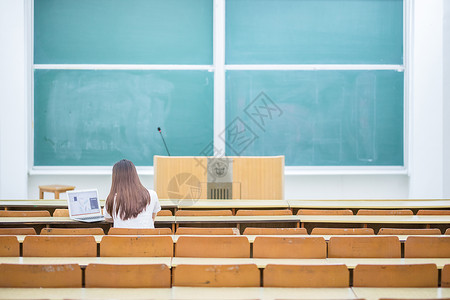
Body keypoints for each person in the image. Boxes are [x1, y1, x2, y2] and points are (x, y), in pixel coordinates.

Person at [104, 159, 161, 228]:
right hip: (147, 238)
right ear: (134, 175)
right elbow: (152, 216)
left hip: (122, 238)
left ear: (115, 177)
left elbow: (107, 218)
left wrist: (120, 220)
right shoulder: (152, 195)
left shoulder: (112, 198)